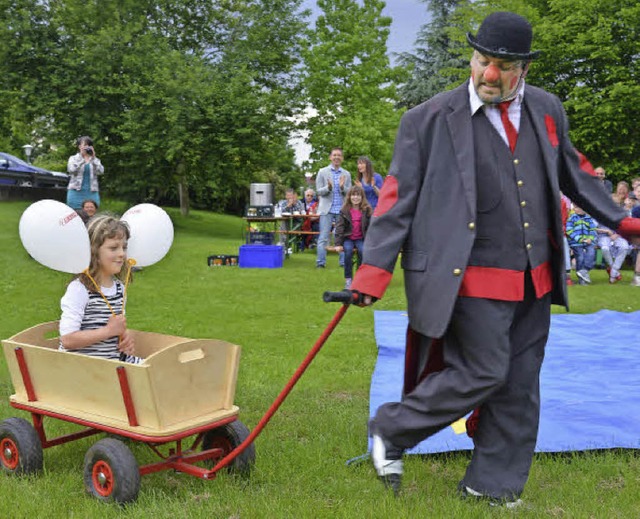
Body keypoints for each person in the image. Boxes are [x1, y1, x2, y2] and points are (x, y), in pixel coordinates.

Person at [348, 11, 640, 506]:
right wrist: (373, 271)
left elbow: (579, 174)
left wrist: (628, 223)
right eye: (483, 60)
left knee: (521, 384)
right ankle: (391, 427)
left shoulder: (547, 110)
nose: (488, 75)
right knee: (485, 370)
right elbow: (396, 198)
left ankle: (490, 487)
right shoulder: (427, 120)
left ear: (523, 68)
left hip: (536, 275)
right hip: (466, 275)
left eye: (503, 66)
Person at [59, 214, 140, 363]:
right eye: (114, 248)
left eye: (124, 247)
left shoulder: (119, 289)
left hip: (114, 362)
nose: (122, 253)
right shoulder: (80, 289)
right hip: (87, 368)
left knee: (162, 372)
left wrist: (124, 337)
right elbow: (67, 339)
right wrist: (108, 331)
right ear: (94, 253)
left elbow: (116, 327)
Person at [315, 147, 352, 268]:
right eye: (334, 155)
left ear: (342, 158)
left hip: (341, 209)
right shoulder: (322, 172)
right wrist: (328, 188)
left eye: (339, 155)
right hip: (327, 210)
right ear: (330, 157)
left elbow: (351, 193)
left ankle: (343, 262)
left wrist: (342, 187)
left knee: (342, 236)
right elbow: (318, 191)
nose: (336, 157)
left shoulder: (346, 174)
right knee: (324, 237)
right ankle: (321, 263)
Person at [334, 185, 372, 289]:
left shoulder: (366, 210)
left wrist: (371, 242)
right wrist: (337, 244)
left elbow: (370, 227)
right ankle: (348, 279)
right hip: (348, 238)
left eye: (358, 195)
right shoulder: (344, 211)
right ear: (349, 197)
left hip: (360, 238)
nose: (356, 197)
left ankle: (360, 279)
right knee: (348, 252)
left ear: (362, 197)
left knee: (362, 251)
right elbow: (339, 228)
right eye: (353, 195)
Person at [66, 136, 103, 210]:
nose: (87, 147)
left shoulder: (95, 160)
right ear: (80, 146)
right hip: (75, 192)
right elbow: (71, 170)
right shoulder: (73, 158)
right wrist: (83, 161)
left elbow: (101, 171)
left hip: (92, 192)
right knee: (75, 215)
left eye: (89, 145)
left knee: (91, 215)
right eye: (85, 145)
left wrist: (93, 158)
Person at [566, 206, 597, 285]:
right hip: (576, 242)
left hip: (588, 242)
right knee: (580, 257)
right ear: (574, 209)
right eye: (577, 208)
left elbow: (592, 230)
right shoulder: (572, 218)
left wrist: (590, 238)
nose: (579, 209)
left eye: (581, 208)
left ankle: (584, 271)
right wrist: (580, 239)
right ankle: (581, 279)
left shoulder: (588, 218)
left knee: (591, 253)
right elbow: (569, 231)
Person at [594, 218, 629, 284]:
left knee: (624, 247)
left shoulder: (620, 214)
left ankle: (613, 271)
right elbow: (591, 228)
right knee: (605, 248)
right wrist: (606, 231)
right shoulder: (597, 214)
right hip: (603, 236)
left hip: (618, 236)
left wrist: (617, 234)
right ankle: (614, 273)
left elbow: (625, 228)